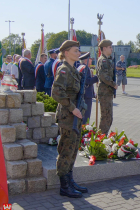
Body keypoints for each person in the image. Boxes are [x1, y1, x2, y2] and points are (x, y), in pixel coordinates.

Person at [52, 40, 88, 198]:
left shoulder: (73, 70)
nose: (78, 53)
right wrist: (73, 108)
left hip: (75, 116)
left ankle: (70, 180)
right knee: (66, 150)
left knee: (73, 149)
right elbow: (56, 92)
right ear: (66, 52)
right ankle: (64, 186)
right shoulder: (64, 70)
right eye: (75, 50)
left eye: (78, 50)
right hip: (68, 117)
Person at [97, 39, 118, 135]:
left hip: (107, 92)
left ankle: (102, 137)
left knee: (108, 117)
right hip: (105, 92)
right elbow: (103, 76)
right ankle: (100, 139)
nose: (112, 49)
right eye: (110, 47)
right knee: (106, 117)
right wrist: (113, 84)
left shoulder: (107, 60)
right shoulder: (104, 60)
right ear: (104, 48)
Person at [78, 52, 98, 124]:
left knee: (83, 114)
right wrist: (97, 77)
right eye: (90, 59)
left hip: (84, 94)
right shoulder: (85, 68)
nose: (91, 60)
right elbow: (87, 81)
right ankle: (84, 131)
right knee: (86, 115)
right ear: (86, 60)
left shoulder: (81, 67)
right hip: (86, 95)